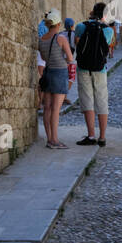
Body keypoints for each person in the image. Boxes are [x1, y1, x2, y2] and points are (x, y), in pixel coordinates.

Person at [74, 2, 114, 147]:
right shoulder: (108, 31)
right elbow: (107, 47)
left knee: (87, 100)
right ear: (105, 14)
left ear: (92, 12)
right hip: (100, 69)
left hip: (83, 68)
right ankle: (102, 137)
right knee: (102, 101)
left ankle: (91, 135)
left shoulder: (81, 26)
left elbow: (76, 43)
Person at [37, 9, 74, 149]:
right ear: (58, 24)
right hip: (59, 73)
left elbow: (44, 57)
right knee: (56, 109)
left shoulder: (41, 40)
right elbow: (70, 59)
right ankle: (55, 140)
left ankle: (49, 139)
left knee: (47, 108)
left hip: (47, 73)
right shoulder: (61, 38)